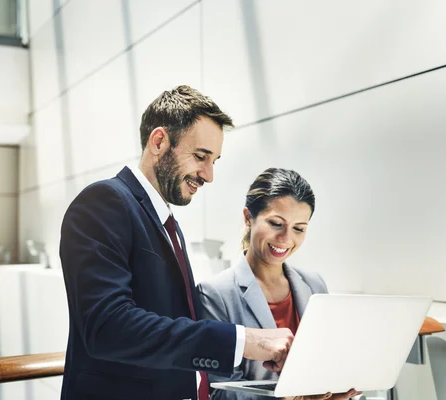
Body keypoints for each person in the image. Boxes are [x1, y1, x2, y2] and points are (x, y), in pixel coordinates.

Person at [59, 86, 295, 400]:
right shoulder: (103, 203)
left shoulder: (167, 223)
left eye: (214, 161)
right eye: (201, 156)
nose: (209, 175)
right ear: (159, 142)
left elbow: (173, 328)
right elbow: (108, 328)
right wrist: (243, 341)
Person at [198, 168, 362, 400]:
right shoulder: (215, 294)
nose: (286, 238)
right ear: (248, 218)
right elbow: (217, 392)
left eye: (298, 229)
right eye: (276, 223)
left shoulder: (314, 284)